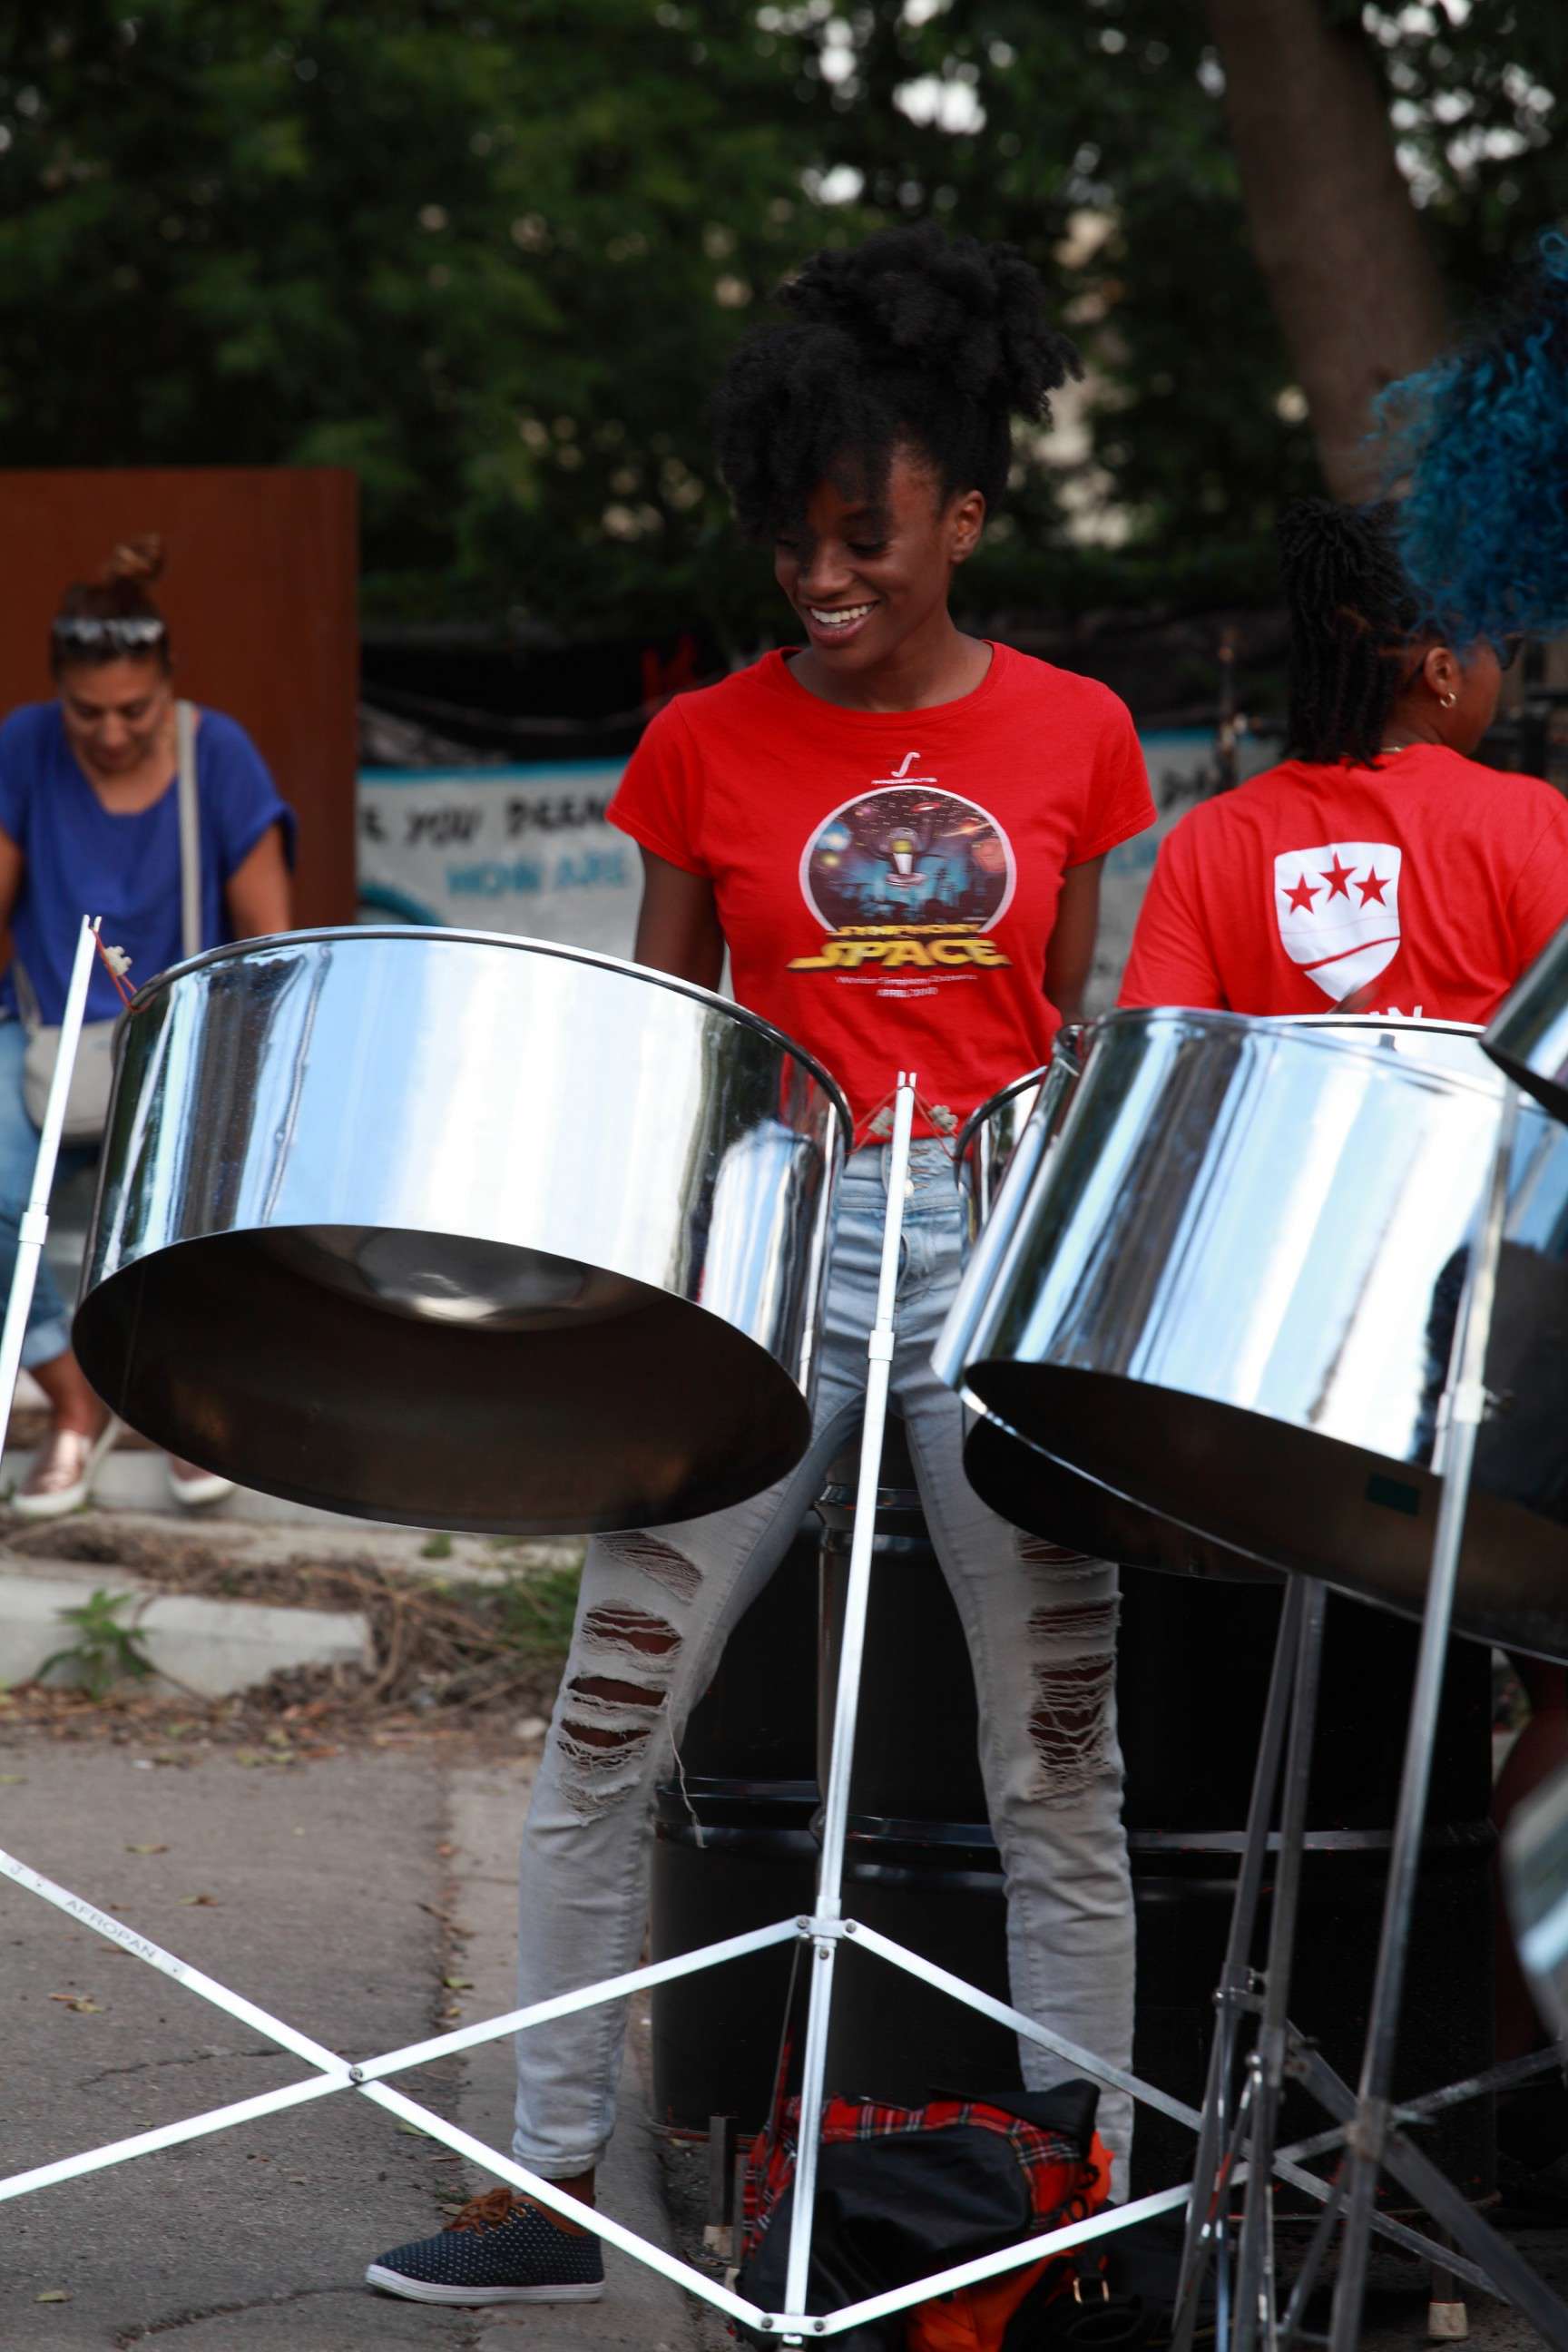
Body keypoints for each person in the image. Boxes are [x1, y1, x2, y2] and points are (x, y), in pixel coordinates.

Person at [367, 224, 1155, 2308]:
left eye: (861, 536)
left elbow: (1044, 1013)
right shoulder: (702, 747)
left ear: (962, 518)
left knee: (1049, 1763)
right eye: (786, 540)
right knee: (598, 1736)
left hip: (978, 1266)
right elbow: (670, 1054)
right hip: (767, 1260)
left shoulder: (1074, 734)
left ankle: (1075, 2215)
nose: (816, 578)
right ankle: (545, 2189)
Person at [1, 537, 293, 1516]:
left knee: (194, 1203)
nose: (113, 733)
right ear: (56, 696)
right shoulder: (23, 744)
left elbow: (271, 942)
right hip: (42, 1030)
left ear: (170, 684)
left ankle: (176, 1401)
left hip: (175, 1031)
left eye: (136, 711)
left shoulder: (221, 751)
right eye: (87, 713)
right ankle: (75, 1404)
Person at [1119, 496, 1568, 1022]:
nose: (1503, 673)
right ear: (1443, 674)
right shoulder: (1527, 818)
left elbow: (1166, 1060)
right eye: (1503, 650)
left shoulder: (1208, 840)